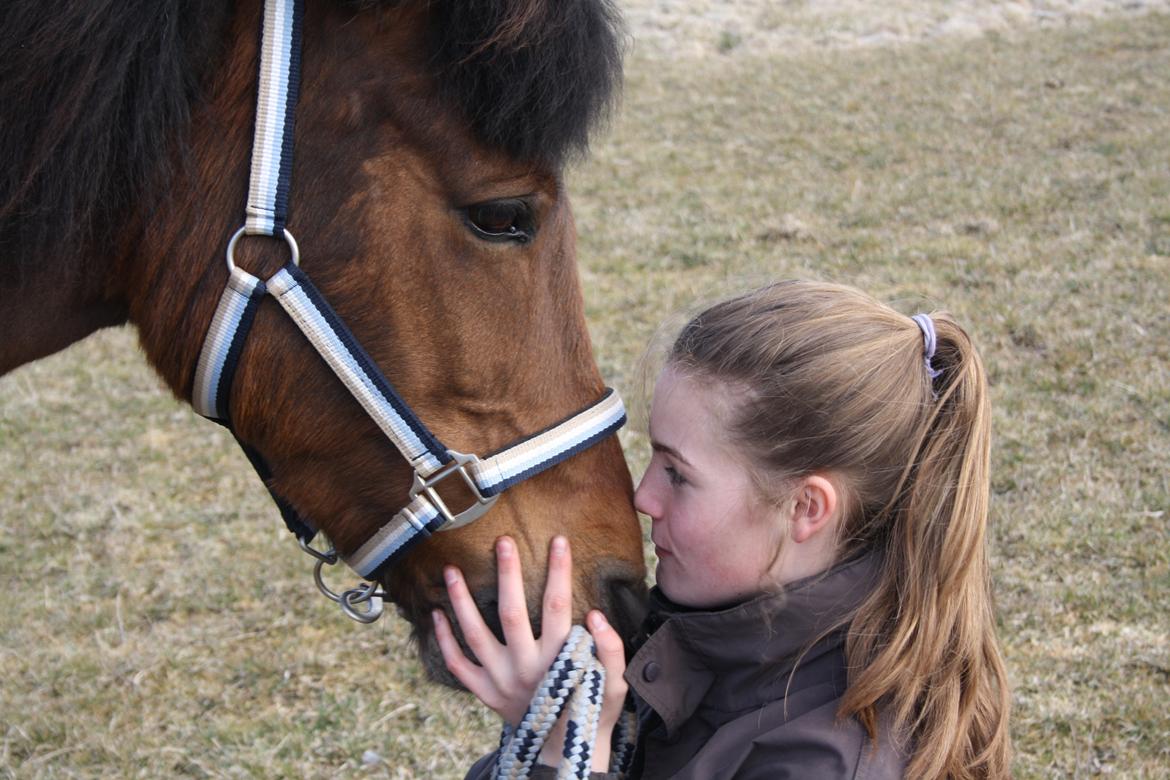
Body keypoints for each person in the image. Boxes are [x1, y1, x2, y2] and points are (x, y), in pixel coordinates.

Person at [433, 280, 1012, 779]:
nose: (642, 498)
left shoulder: (827, 764)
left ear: (805, 508)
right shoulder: (702, 637)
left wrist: (562, 753)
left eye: (678, 474)